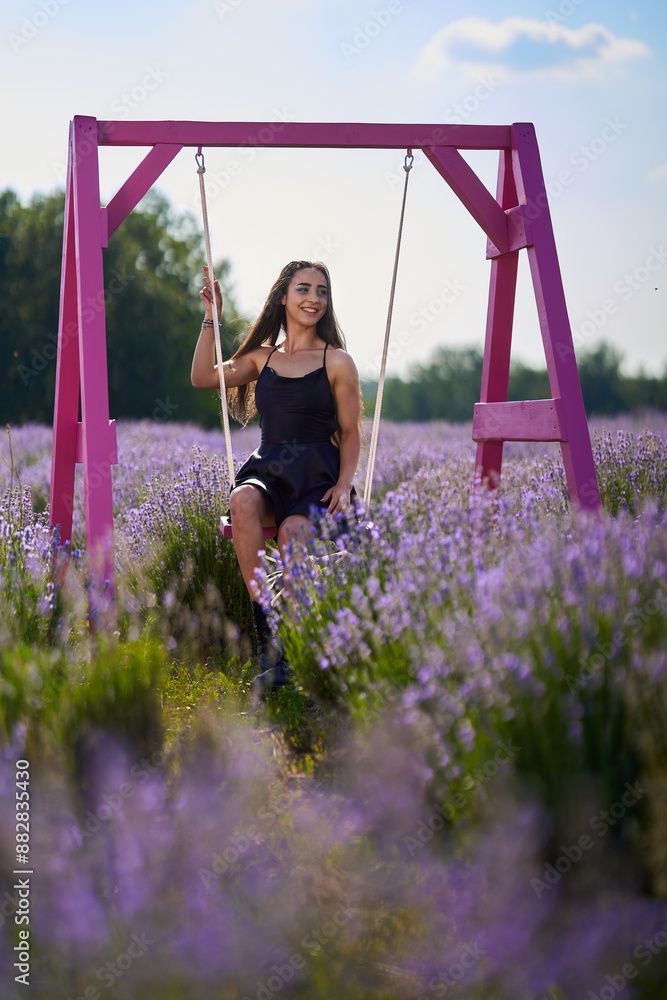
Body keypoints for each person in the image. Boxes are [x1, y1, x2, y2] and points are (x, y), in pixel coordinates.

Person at [191, 260, 361, 691]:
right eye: (304, 289)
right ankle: (269, 634)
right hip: (269, 468)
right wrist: (211, 316)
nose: (314, 299)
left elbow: (351, 432)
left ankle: (295, 644)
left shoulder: (337, 361)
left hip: (319, 476)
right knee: (242, 502)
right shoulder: (261, 358)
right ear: (283, 297)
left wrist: (344, 484)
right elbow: (202, 377)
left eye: (322, 291)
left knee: (291, 532)